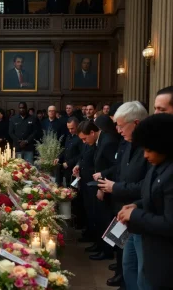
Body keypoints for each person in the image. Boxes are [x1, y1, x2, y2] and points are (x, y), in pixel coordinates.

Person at [97, 102, 149, 289]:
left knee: (142, 272)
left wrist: (116, 187)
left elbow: (147, 186)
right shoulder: (127, 144)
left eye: (120, 125)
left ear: (135, 123)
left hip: (141, 215)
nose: (117, 130)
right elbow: (119, 170)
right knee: (128, 266)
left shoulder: (149, 149)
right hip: (123, 212)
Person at [118, 113, 173, 290]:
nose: (145, 155)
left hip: (162, 253)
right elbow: (152, 196)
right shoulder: (158, 165)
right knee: (131, 270)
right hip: (145, 236)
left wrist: (135, 213)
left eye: (149, 150)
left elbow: (170, 223)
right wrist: (137, 205)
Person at [77, 119, 118, 260]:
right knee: (99, 218)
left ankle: (107, 251)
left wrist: (102, 175)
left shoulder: (108, 142)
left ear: (92, 132)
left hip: (108, 187)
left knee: (106, 220)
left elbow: (116, 166)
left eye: (84, 138)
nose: (83, 142)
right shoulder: (99, 140)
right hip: (100, 185)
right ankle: (100, 246)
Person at [54, 117, 83, 186]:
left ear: (77, 126)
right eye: (68, 128)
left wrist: (69, 163)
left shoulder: (81, 138)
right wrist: (59, 158)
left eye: (72, 128)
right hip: (66, 169)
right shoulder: (69, 136)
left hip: (75, 169)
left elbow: (82, 155)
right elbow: (66, 150)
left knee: (74, 190)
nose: (70, 130)